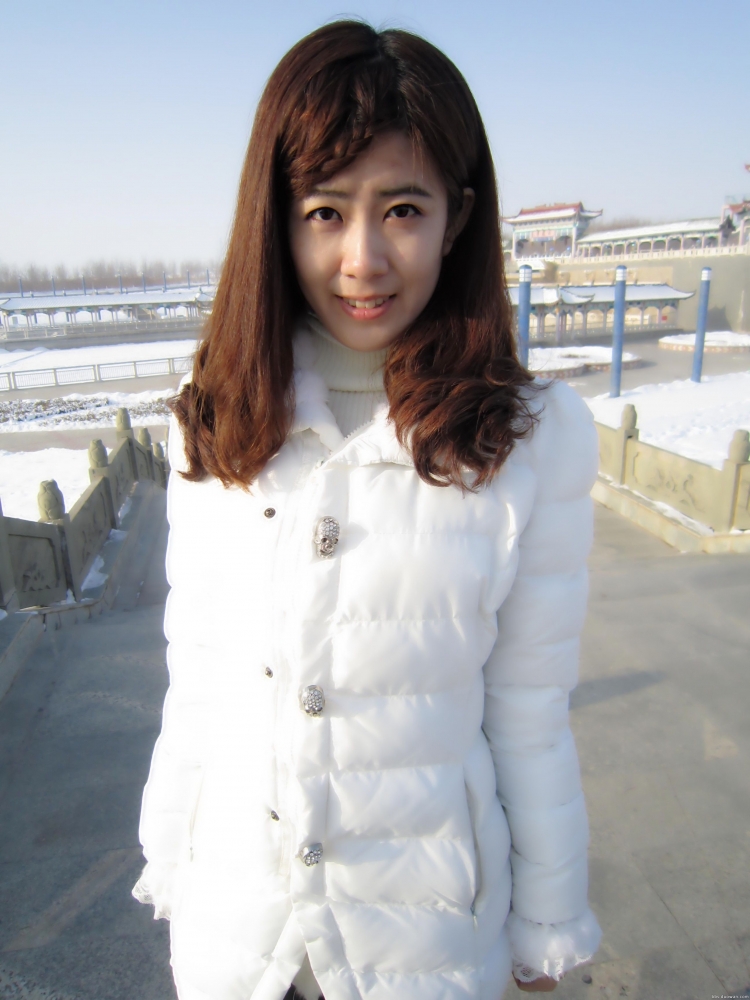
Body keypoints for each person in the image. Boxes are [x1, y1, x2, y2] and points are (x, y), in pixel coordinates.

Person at [132, 20, 602, 1000]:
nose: (362, 258)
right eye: (324, 211)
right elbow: (198, 686)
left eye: (402, 209)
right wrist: (170, 857)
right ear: (276, 218)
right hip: (240, 943)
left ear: (457, 215)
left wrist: (548, 923)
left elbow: (530, 716)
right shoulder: (216, 423)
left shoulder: (528, 438)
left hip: (425, 949)